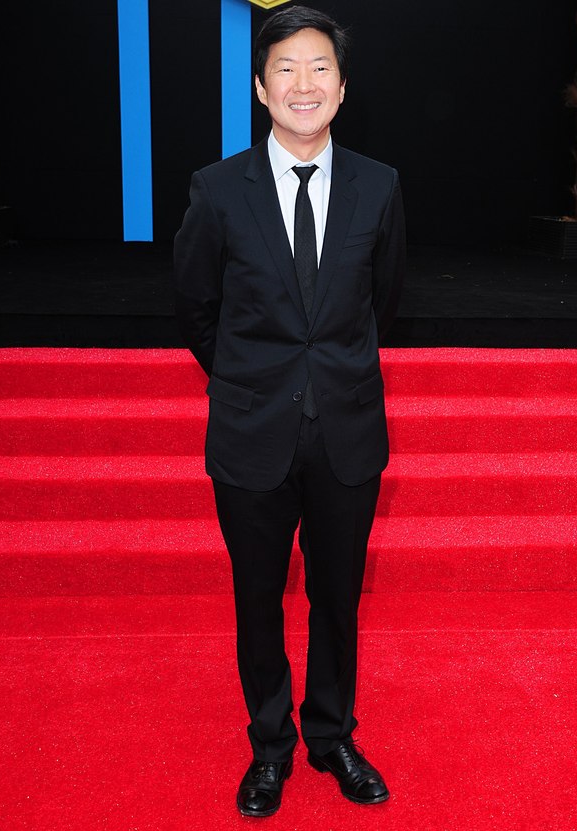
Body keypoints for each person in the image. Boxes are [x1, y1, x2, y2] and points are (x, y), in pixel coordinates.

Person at [173, 4, 406, 818]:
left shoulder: (380, 185)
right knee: (258, 596)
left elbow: (383, 299)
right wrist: (250, 376)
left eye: (319, 68)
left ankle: (332, 734)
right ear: (261, 88)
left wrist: (327, 371)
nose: (303, 84)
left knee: (337, 596)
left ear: (341, 88)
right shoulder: (217, 189)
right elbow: (196, 306)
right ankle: (269, 745)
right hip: (252, 428)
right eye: (286, 68)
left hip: (347, 428)